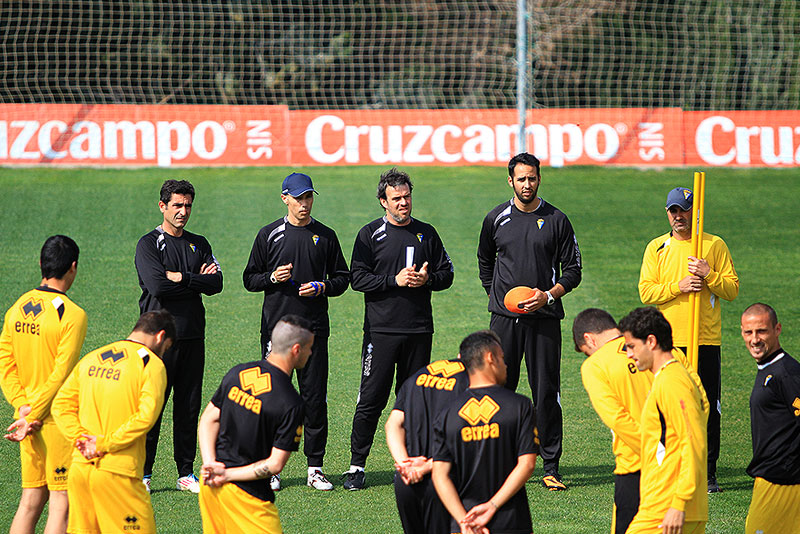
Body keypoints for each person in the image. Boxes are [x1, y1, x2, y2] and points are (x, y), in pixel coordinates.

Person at [477, 152, 581, 491]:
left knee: (546, 391)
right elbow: (484, 260)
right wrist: (497, 298)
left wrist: (548, 296)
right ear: (510, 180)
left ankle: (550, 465)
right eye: (521, 178)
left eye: (532, 178)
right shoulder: (495, 218)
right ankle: (501, 461)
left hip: (545, 320)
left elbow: (574, 270)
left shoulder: (556, 219)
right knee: (500, 390)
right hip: (504, 321)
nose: (527, 184)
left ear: (539, 179)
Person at [344, 167, 454, 490]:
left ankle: (413, 463)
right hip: (380, 333)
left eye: (407, 196)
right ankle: (356, 466)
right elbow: (357, 278)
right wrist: (395, 280)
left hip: (419, 331)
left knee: (414, 401)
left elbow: (447, 273)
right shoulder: (368, 236)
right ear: (383, 201)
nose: (404, 203)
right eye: (396, 198)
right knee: (371, 399)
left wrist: (427, 279)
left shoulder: (427, 234)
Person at [243, 172, 349, 492]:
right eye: (299, 198)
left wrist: (323, 286)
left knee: (314, 400)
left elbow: (343, 278)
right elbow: (250, 279)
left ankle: (314, 468)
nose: (304, 204)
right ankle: (272, 468)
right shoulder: (268, 235)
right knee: (274, 400)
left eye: (309, 197)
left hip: (314, 333)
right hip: (277, 335)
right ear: (285, 198)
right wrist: (273, 278)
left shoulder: (326, 236)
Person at [638, 186, 738, 493]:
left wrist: (709, 274)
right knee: (667, 406)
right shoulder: (657, 247)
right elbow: (647, 291)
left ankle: (707, 474)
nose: (678, 216)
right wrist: (679, 285)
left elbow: (731, 290)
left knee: (708, 408)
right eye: (673, 211)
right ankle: (669, 469)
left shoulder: (713, 245)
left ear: (695, 213)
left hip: (705, 339)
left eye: (683, 210)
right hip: (668, 345)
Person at [51, 310, 175, 534]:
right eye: (166, 348)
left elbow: (60, 405)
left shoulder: (93, 357)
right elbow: (145, 418)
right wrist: (101, 444)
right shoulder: (151, 365)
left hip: (81, 469)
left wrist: (81, 440)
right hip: (119, 472)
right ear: (160, 336)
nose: (163, 353)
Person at [135, 179, 223, 493]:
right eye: (177, 206)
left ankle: (185, 472)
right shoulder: (148, 244)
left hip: (192, 336)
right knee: (152, 407)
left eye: (187, 206)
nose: (183, 212)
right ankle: (143, 475)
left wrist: (183, 277)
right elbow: (157, 286)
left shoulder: (199, 243)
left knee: (187, 407)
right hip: (156, 340)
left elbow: (217, 284)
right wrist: (197, 279)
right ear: (163, 206)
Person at [0, 235, 88, 534]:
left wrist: (22, 408)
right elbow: (61, 374)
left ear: (41, 263)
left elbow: (6, 363)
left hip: (25, 420)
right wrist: (36, 414)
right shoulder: (73, 315)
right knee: (61, 505)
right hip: (54, 422)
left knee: (30, 501)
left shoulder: (18, 307)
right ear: (73, 268)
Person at [197, 315, 311, 534]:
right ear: (296, 349)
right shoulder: (291, 402)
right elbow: (275, 465)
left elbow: (209, 418)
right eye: (309, 348)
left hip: (210, 486)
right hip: (248, 500)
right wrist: (227, 475)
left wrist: (210, 464)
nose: (311, 353)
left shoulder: (238, 372)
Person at [431, 330, 538, 534]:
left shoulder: (447, 413)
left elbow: (439, 475)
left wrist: (464, 520)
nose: (506, 366)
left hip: (463, 525)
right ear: (491, 358)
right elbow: (528, 464)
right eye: (503, 359)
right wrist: (493, 506)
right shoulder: (520, 405)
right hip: (511, 521)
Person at [619, 307, 708, 534]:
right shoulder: (671, 378)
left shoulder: (672, 382)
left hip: (666, 508)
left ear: (651, 341)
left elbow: (694, 442)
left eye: (631, 346)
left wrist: (679, 503)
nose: (629, 354)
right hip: (669, 504)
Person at [572, 308, 652, 534]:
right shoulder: (660, 347)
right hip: (682, 462)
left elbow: (617, 419)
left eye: (587, 351)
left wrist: (654, 451)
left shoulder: (595, 365)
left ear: (589, 338)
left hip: (636, 466)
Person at [385, 356, 470, 533]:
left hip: (406, 482)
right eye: (501, 358)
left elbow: (393, 424)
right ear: (488, 358)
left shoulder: (417, 376)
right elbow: (468, 440)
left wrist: (405, 465)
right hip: (448, 482)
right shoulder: (473, 383)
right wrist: (427, 466)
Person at [740, 303, 800, 533]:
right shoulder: (768, 369)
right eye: (748, 332)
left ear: (777, 329)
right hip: (770, 480)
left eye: (762, 331)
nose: (754, 339)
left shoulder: (786, 374)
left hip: (783, 483)